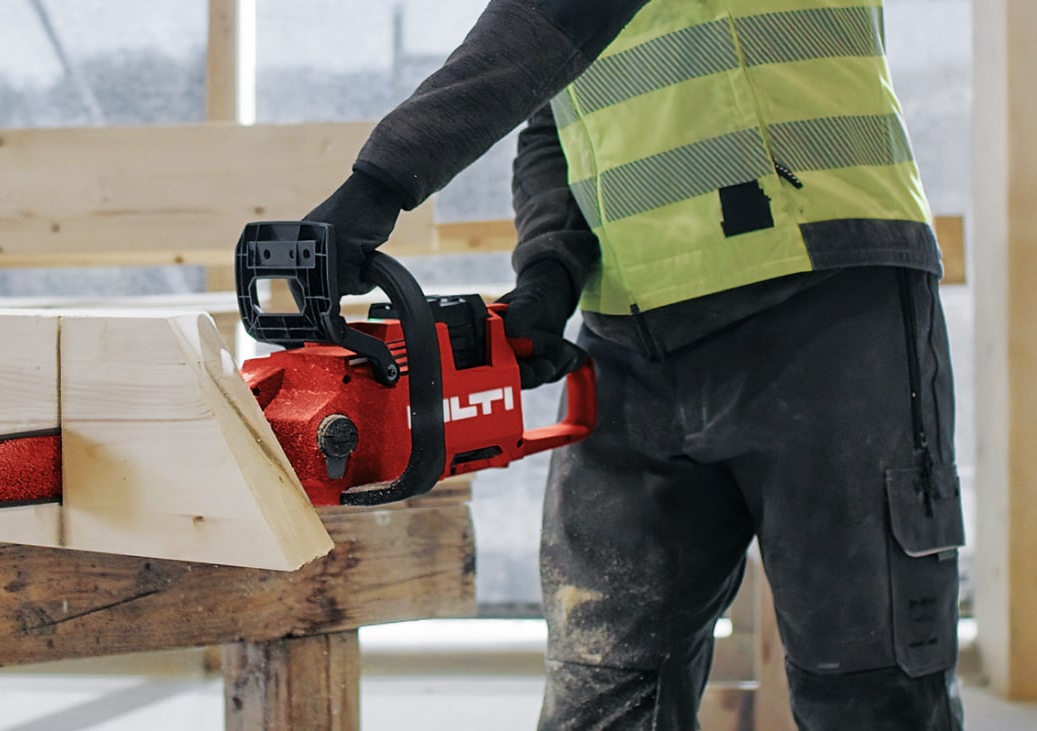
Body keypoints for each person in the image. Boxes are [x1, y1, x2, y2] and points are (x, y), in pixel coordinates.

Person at [301, 1, 965, 728]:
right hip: (629, 337)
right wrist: (551, 267)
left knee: (869, 692)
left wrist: (382, 180)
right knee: (605, 692)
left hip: (825, 302)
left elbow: (556, 16)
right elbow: (558, 115)